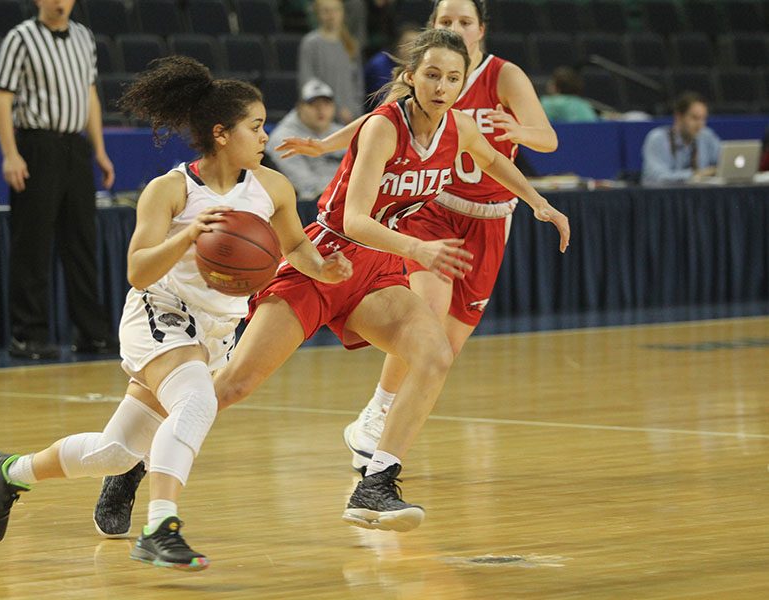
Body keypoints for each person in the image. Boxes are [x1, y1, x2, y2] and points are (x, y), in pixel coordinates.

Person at [95, 27, 569, 537]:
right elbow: (356, 221)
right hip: (321, 257)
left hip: (377, 271)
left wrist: (538, 202)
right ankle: (132, 465)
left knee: (434, 353)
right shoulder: (386, 127)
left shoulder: (458, 128)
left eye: (453, 78)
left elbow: (494, 160)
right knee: (229, 388)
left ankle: (378, 482)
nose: (442, 85)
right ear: (411, 79)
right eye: (432, 75)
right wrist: (416, 248)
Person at [0, 56, 353, 570]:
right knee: (197, 403)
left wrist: (323, 269)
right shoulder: (170, 190)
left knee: (117, 453)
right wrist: (189, 236)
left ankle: (10, 472)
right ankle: (161, 526)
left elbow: (294, 247)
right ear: (221, 134)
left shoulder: (273, 188)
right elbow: (137, 270)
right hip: (161, 312)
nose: (265, 136)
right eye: (256, 126)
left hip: (219, 328)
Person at [276, 0, 567, 472]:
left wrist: (521, 137)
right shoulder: (429, 70)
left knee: (445, 349)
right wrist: (327, 143)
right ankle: (377, 415)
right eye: (446, 21)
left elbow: (544, 139)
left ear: (480, 30)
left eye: (464, 22)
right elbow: (383, 116)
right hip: (434, 207)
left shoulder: (502, 75)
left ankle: (383, 430)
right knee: (425, 317)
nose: (454, 27)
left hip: (491, 216)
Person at [0, 0, 117, 360]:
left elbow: (90, 95)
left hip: (74, 147)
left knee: (82, 242)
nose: (59, 1)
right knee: (32, 243)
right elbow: (1, 98)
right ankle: (27, 334)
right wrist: (10, 153)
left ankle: (92, 332)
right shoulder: (20, 38)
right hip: (36, 143)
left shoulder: (84, 37)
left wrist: (100, 150)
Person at [266, 79, 345, 205]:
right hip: (308, 207)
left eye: (326, 104)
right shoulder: (283, 138)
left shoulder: (340, 132)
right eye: (314, 105)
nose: (321, 110)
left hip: (341, 197)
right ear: (300, 107)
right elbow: (307, 187)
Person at [299, 0, 365, 123]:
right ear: (317, 14)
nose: (331, 15)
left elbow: (358, 83)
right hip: (324, 116)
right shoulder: (310, 43)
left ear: (342, 13)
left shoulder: (350, 43)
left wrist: (355, 110)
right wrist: (336, 109)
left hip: (351, 115)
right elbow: (307, 81)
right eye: (326, 11)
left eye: (335, 10)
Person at [641, 91, 721, 185]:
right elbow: (658, 178)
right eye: (695, 118)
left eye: (703, 119)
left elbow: (725, 163)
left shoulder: (707, 136)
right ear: (679, 117)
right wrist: (696, 174)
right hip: (664, 196)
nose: (700, 125)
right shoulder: (657, 138)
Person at [364, 23, 422, 110]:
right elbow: (383, 101)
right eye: (408, 43)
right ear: (398, 45)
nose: (412, 48)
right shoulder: (379, 64)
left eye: (416, 44)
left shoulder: (418, 67)